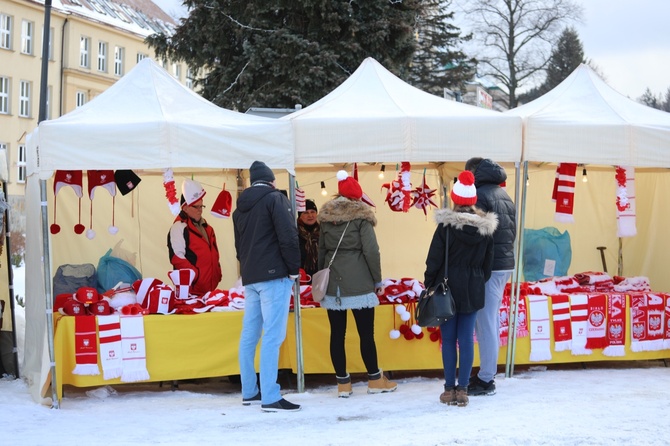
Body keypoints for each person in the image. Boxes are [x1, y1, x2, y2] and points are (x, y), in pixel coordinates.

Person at [317, 170, 397, 398]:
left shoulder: (326, 218)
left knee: (337, 334)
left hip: (333, 283)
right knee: (366, 334)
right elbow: (372, 251)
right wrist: (377, 279)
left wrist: (323, 278)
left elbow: (322, 251)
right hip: (360, 281)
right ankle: (374, 379)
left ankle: (343, 384)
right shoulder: (362, 218)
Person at [232, 160, 302, 412]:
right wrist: (294, 269)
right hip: (274, 277)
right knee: (273, 335)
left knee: (249, 335)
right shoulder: (275, 199)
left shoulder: (239, 210)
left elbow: (239, 249)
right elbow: (288, 236)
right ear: (272, 180)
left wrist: (250, 270)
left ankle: (250, 391)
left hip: (250, 277)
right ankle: (270, 396)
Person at [424, 170, 497, 407]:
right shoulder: (486, 230)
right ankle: (463, 389)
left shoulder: (446, 227)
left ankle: (448, 389)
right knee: (466, 339)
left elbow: (433, 259)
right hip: (473, 289)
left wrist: (429, 283)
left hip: (447, 288)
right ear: (474, 200)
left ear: (455, 199)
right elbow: (488, 265)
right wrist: (476, 279)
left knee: (448, 339)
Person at [464, 157, 517, 397]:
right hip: (504, 264)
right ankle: (487, 374)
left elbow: (477, 236)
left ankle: (486, 379)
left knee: (485, 324)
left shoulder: (481, 196)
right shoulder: (505, 195)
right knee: (490, 321)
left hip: (489, 267)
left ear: (474, 174)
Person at [167, 179, 222, 297]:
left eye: (201, 206)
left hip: (210, 291)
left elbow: (214, 254)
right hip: (191, 292)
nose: (200, 210)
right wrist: (195, 276)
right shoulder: (179, 228)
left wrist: (217, 272)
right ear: (185, 207)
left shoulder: (208, 228)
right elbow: (177, 258)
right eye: (196, 207)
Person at [297, 199, 320, 281]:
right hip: (300, 276)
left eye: (313, 212)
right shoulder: (293, 232)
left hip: (320, 275)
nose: (310, 215)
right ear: (300, 215)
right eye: (306, 213)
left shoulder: (324, 231)